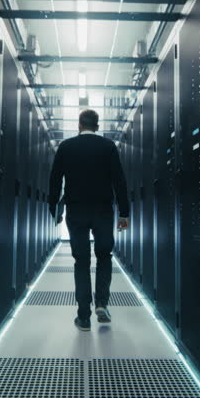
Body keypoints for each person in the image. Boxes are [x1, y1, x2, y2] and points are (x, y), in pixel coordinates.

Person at [48, 109, 129, 331]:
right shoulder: (108, 147)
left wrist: (54, 207)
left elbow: (55, 179)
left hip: (76, 211)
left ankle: (83, 316)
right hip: (103, 211)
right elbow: (119, 181)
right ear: (98, 125)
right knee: (104, 256)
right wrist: (124, 213)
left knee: (81, 261)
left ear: (79, 125)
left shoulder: (66, 146)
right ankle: (102, 303)